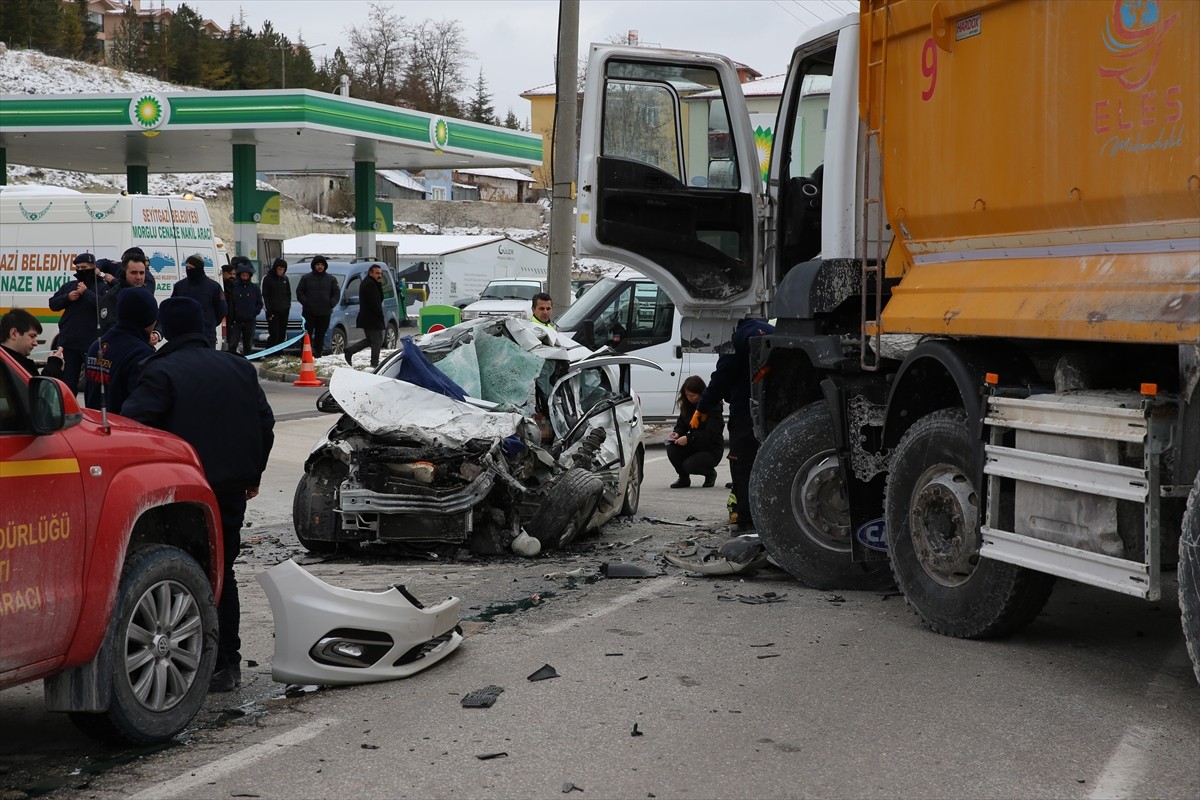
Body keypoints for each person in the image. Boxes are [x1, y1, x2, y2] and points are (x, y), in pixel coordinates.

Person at [121, 297, 275, 693]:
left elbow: (135, 427)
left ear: (166, 329)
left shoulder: (160, 371)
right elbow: (265, 422)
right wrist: (253, 473)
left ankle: (195, 664)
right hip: (230, 489)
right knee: (222, 571)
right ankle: (227, 665)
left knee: (184, 574)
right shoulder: (238, 366)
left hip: (183, 494)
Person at [695, 317, 775, 531]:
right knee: (770, 463)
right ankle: (770, 517)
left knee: (743, 464)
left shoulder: (735, 337)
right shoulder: (772, 330)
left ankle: (747, 520)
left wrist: (702, 407)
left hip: (745, 412)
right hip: (776, 410)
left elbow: (721, 377)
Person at [84, 288, 157, 413]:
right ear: (150, 318)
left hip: (95, 426)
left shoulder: (96, 346)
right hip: (122, 429)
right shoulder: (141, 354)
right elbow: (145, 408)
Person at [48, 252, 112, 392]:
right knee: (68, 382)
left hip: (92, 343)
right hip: (70, 342)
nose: (81, 270)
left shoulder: (102, 287)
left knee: (93, 384)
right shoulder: (70, 286)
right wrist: (68, 297)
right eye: (78, 267)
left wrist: (86, 293)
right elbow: (53, 304)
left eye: (84, 267)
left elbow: (105, 307)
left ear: (93, 267)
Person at [666, 375, 724, 488]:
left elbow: (711, 434)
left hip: (711, 448)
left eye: (693, 395)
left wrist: (689, 438)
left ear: (701, 393)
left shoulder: (713, 407)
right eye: (687, 395)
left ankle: (710, 473)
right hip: (693, 445)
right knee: (672, 449)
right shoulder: (687, 406)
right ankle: (683, 478)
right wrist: (677, 433)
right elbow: (681, 425)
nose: (690, 398)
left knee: (689, 465)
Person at [171, 254, 227, 349]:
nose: (188, 270)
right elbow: (172, 307)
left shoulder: (214, 287)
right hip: (184, 336)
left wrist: (209, 323)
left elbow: (222, 310)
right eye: (187, 267)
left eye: (191, 267)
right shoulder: (180, 286)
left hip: (206, 336)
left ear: (199, 268)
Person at [98, 248, 154, 337]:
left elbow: (155, 317)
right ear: (125, 273)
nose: (139, 277)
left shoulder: (146, 296)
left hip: (143, 346)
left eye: (142, 273)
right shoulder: (112, 297)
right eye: (134, 273)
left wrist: (156, 333)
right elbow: (110, 328)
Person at [0, 308, 64, 378]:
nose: (35, 343)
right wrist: (54, 366)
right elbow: (36, 387)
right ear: (14, 333)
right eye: (32, 336)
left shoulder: (10, 361)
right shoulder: (10, 366)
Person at [343, 264, 386, 368]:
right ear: (370, 273)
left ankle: (350, 350)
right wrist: (380, 316)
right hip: (371, 318)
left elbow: (380, 298)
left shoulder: (373, 283)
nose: (379, 275)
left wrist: (379, 284)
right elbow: (375, 303)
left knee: (371, 340)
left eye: (380, 273)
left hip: (370, 318)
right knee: (377, 342)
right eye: (377, 273)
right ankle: (374, 364)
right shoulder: (369, 284)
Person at [296, 255, 339, 358]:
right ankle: (305, 355)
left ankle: (318, 354)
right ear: (314, 266)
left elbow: (336, 293)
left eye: (322, 265)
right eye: (318, 264)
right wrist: (306, 302)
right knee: (307, 334)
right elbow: (299, 292)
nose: (320, 267)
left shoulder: (331, 279)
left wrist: (331, 303)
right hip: (309, 312)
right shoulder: (306, 278)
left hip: (325, 312)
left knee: (320, 334)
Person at [227, 259, 263, 356]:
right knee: (233, 344)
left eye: (247, 275)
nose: (245, 277)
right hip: (236, 321)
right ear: (239, 275)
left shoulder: (254, 288)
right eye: (243, 275)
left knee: (248, 345)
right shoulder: (233, 287)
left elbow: (259, 303)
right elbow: (230, 303)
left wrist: (254, 312)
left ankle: (247, 362)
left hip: (250, 320)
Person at [262, 257, 292, 347]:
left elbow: (288, 294)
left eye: (283, 269)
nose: (281, 271)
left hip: (284, 311)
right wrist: (269, 311)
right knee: (274, 334)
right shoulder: (267, 278)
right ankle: (270, 352)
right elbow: (264, 296)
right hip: (273, 312)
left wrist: (288, 305)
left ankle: (279, 353)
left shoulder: (285, 279)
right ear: (275, 268)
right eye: (279, 269)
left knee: (282, 334)